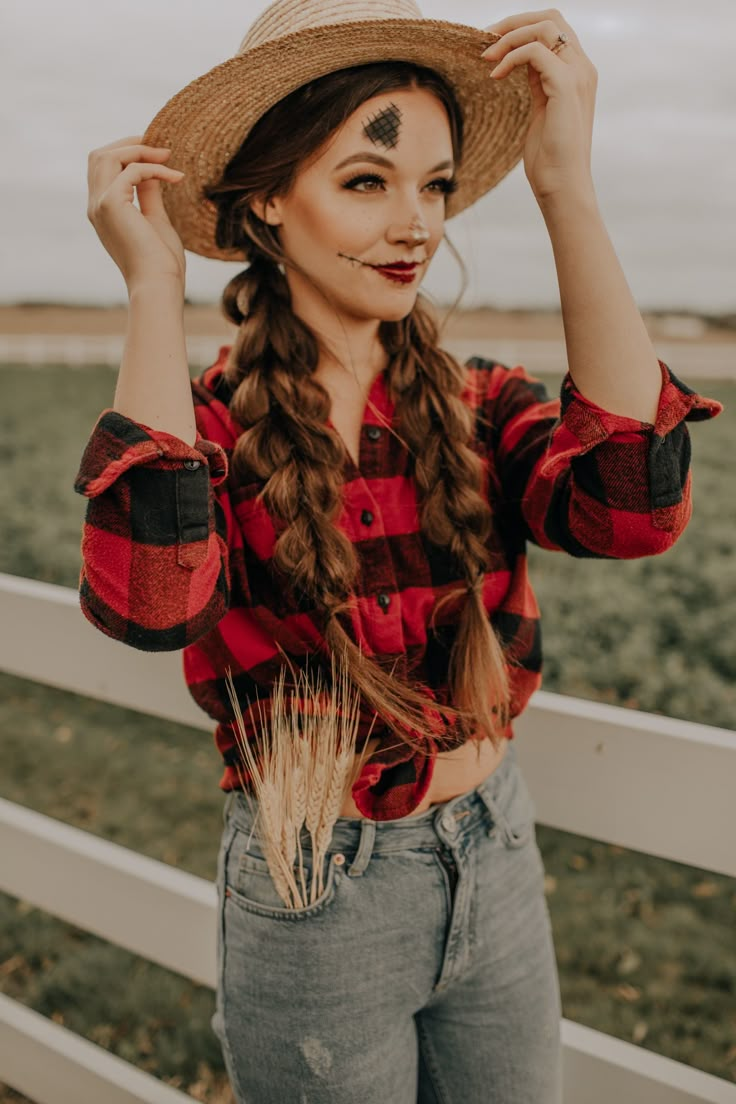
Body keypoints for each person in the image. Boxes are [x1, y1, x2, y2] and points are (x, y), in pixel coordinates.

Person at [77, 1, 723, 1100]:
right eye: (367, 181)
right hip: (314, 884)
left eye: (433, 185)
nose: (415, 222)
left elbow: (633, 509)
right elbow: (149, 601)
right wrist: (151, 290)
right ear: (272, 200)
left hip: (495, 849)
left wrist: (565, 186)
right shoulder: (212, 433)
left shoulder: (474, 404)